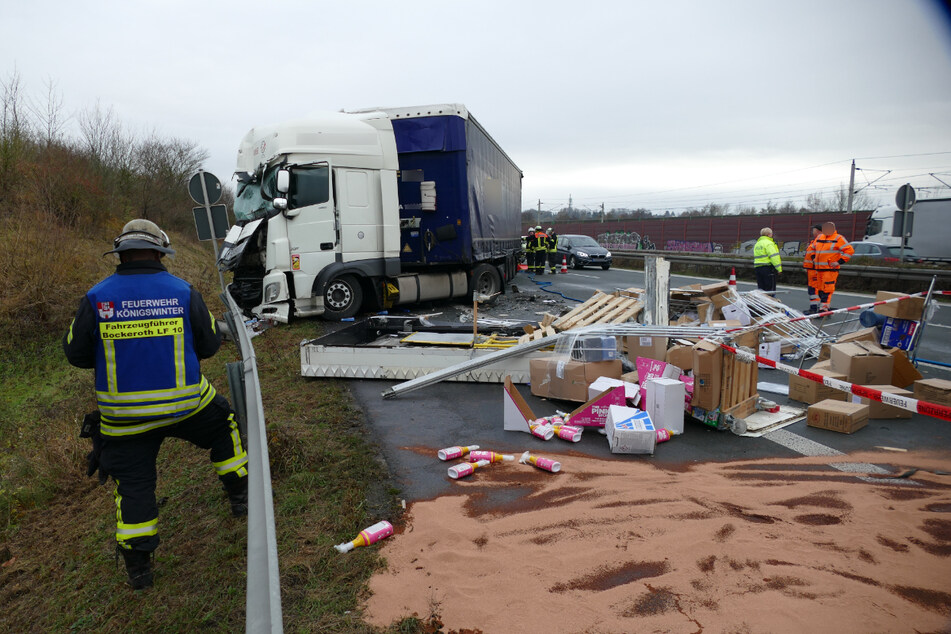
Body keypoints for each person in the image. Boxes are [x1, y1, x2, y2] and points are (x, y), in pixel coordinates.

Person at [63, 219, 249, 590]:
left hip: (124, 420)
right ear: (161, 251)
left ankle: (139, 571)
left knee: (134, 488)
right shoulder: (181, 291)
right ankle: (241, 498)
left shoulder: (97, 297)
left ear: (121, 253)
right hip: (187, 407)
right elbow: (211, 345)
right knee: (224, 423)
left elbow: (76, 354)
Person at [812, 221, 854, 312]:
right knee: (820, 290)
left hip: (830, 270)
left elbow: (849, 251)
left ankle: (824, 309)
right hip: (819, 269)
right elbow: (812, 248)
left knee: (827, 290)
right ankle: (824, 306)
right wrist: (813, 258)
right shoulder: (820, 237)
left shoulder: (838, 238)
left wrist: (839, 262)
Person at [753, 228, 782, 295]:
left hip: (758, 268)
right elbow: (774, 257)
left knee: (761, 290)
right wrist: (779, 269)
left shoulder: (757, 243)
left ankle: (761, 304)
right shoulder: (769, 243)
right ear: (769, 234)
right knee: (770, 291)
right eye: (771, 234)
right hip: (768, 268)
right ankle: (770, 304)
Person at [802, 223, 823, 313]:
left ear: (818, 231)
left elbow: (818, 255)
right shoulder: (817, 241)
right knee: (814, 290)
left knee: (814, 290)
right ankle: (817, 308)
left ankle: (815, 309)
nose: (812, 231)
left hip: (815, 270)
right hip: (812, 270)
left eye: (813, 230)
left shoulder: (820, 240)